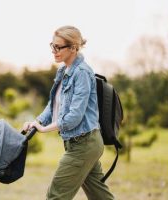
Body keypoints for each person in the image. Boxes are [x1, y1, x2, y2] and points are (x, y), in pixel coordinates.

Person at [23, 26, 115, 200]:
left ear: (73, 47)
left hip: (84, 144)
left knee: (56, 196)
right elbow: (53, 105)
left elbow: (75, 116)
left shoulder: (81, 73)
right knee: (100, 196)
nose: (54, 51)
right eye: (52, 46)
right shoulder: (63, 71)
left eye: (58, 47)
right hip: (80, 143)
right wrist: (36, 122)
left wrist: (44, 129)